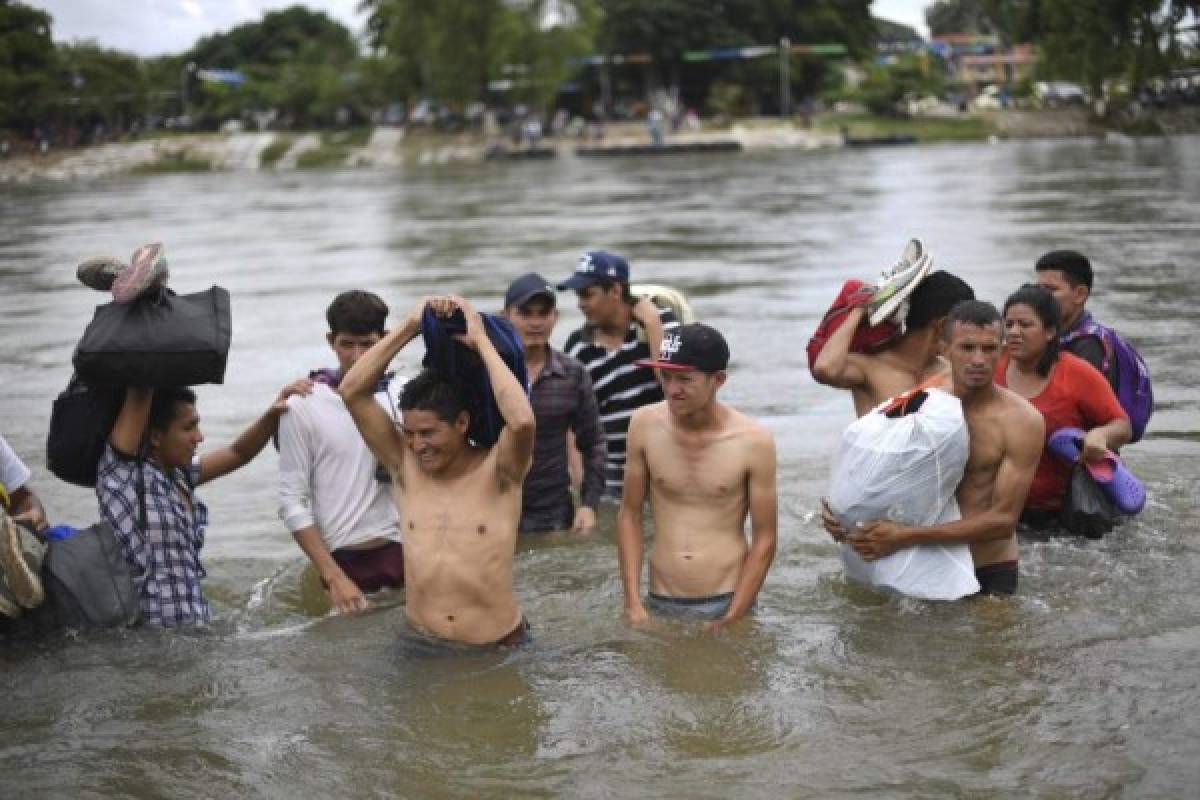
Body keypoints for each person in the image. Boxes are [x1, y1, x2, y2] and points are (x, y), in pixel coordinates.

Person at [340, 295, 536, 647]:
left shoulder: (501, 471)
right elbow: (352, 391)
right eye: (410, 433)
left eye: (428, 433)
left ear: (461, 423)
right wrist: (410, 326)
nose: (418, 445)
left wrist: (481, 343)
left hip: (496, 646)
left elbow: (521, 422)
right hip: (421, 644)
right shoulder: (404, 467)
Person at [824, 301, 1045, 595]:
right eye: (967, 348)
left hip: (987, 567)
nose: (978, 359)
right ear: (944, 349)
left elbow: (1003, 522)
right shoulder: (923, 402)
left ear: (1003, 350)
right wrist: (839, 514)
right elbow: (872, 472)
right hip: (923, 562)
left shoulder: (1022, 421)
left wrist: (905, 536)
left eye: (989, 348)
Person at [99, 380, 310, 627]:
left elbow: (238, 453)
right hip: (151, 639)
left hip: (194, 628)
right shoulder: (126, 478)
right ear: (156, 436)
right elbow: (140, 386)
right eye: (189, 428)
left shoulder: (179, 476)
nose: (199, 437)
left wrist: (273, 413)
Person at [617, 324, 778, 628]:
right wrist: (633, 603)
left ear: (718, 380)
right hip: (659, 599)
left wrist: (734, 617)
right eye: (666, 377)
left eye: (685, 379)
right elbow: (629, 515)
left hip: (727, 598)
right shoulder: (643, 424)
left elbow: (765, 539)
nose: (672, 389)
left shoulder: (754, 441)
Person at [277, 291, 405, 615]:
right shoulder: (303, 405)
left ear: (386, 340)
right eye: (347, 344)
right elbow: (291, 501)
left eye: (367, 344)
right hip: (344, 563)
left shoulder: (405, 395)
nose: (357, 356)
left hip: (408, 554)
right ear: (331, 340)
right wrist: (333, 576)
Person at [994, 284, 1131, 522]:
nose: (1014, 332)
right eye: (1009, 324)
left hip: (1063, 512)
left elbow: (1122, 426)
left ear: (1050, 332)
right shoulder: (991, 365)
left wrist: (1100, 436)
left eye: (1025, 325)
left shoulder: (1077, 373)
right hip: (1002, 509)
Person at [558, 250, 679, 499]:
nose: (581, 304)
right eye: (578, 296)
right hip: (611, 481)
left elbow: (673, 386)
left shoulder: (661, 322)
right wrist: (582, 482)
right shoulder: (577, 348)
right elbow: (572, 423)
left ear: (615, 290)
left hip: (671, 469)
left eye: (587, 294)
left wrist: (654, 325)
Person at [502, 273, 606, 535]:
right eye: (525, 313)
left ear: (555, 317)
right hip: (495, 505)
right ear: (506, 316)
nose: (535, 323)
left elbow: (593, 442)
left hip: (554, 511)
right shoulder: (491, 373)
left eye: (543, 313)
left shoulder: (573, 373)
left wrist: (589, 505)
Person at [811, 270, 976, 416]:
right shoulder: (869, 368)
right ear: (942, 325)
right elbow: (825, 369)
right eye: (964, 329)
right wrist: (859, 310)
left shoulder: (953, 372)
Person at [0, 434, 47, 619]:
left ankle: (27, 583)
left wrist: (33, 513)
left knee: (23, 532)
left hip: (7, 534)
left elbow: (24, 497)